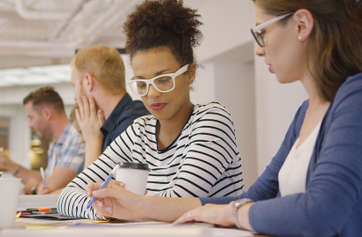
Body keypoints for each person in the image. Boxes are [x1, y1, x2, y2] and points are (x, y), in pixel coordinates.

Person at [90, 0, 362, 236]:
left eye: (262, 33)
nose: (258, 49)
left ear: (302, 25)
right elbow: (251, 198)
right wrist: (136, 205)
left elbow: (320, 212)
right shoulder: (305, 112)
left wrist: (233, 213)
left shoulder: (355, 98)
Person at [57, 0, 244, 219]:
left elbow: (178, 204)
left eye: (163, 80)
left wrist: (120, 205)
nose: (152, 94)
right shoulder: (139, 131)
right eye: (142, 83)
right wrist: (109, 209)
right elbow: (67, 196)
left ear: (190, 73)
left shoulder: (212, 120)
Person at [0, 87, 85, 194]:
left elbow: (49, 187)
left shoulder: (76, 138)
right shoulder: (55, 145)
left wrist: (35, 188)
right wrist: (7, 164)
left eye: (31, 117)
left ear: (47, 114)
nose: (30, 125)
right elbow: (45, 180)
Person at [70, 45, 148, 169]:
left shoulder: (133, 124)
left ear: (88, 82)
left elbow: (91, 187)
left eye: (74, 86)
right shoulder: (104, 127)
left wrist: (92, 142)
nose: (75, 97)